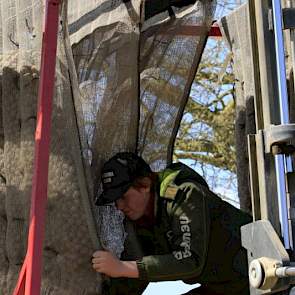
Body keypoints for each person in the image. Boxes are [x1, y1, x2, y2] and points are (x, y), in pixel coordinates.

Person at [92, 152, 251, 295]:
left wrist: (123, 268)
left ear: (145, 185)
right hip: (223, 286)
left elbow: (190, 261)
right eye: (115, 201)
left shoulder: (184, 195)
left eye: (123, 197)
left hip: (256, 275)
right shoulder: (144, 221)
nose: (119, 206)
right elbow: (131, 281)